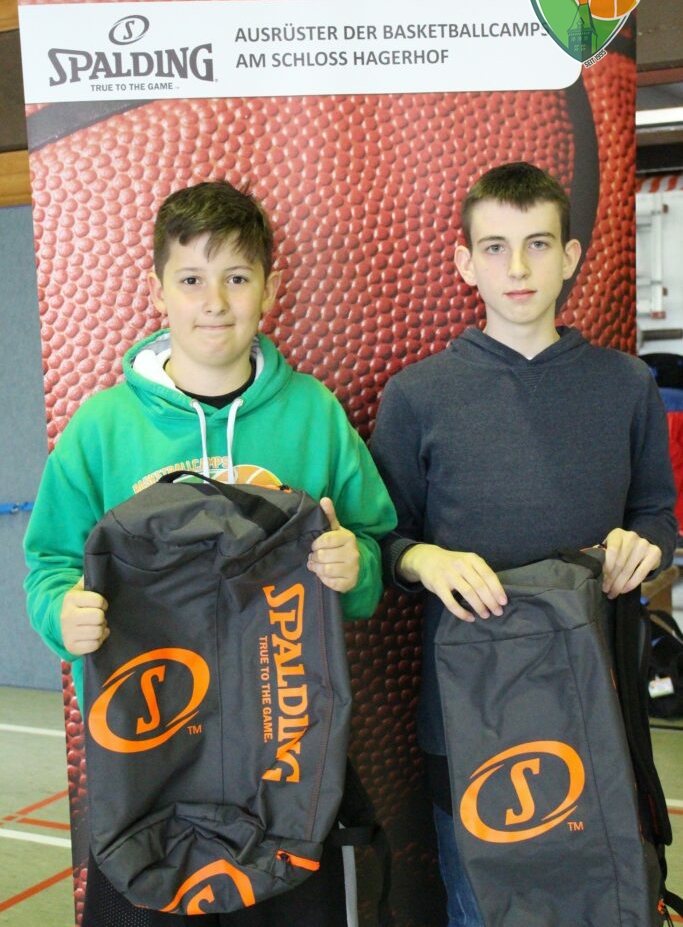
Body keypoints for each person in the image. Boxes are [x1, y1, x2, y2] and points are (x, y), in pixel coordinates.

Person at [23, 180, 397, 927]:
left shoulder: (314, 413)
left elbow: (372, 547)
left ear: (270, 289)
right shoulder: (102, 427)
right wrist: (61, 614)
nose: (215, 303)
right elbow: (50, 564)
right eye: (191, 279)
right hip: (150, 756)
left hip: (287, 749)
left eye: (237, 278)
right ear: (157, 289)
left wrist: (354, 568)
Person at [370, 161, 678, 927]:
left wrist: (645, 548)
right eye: (495, 247)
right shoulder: (416, 395)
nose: (516, 268)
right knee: (485, 909)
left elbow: (656, 516)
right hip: (468, 710)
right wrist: (424, 558)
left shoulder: (625, 384)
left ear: (569, 257)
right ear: (464, 262)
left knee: (608, 903)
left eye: (537, 244)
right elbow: (381, 541)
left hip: (597, 695)